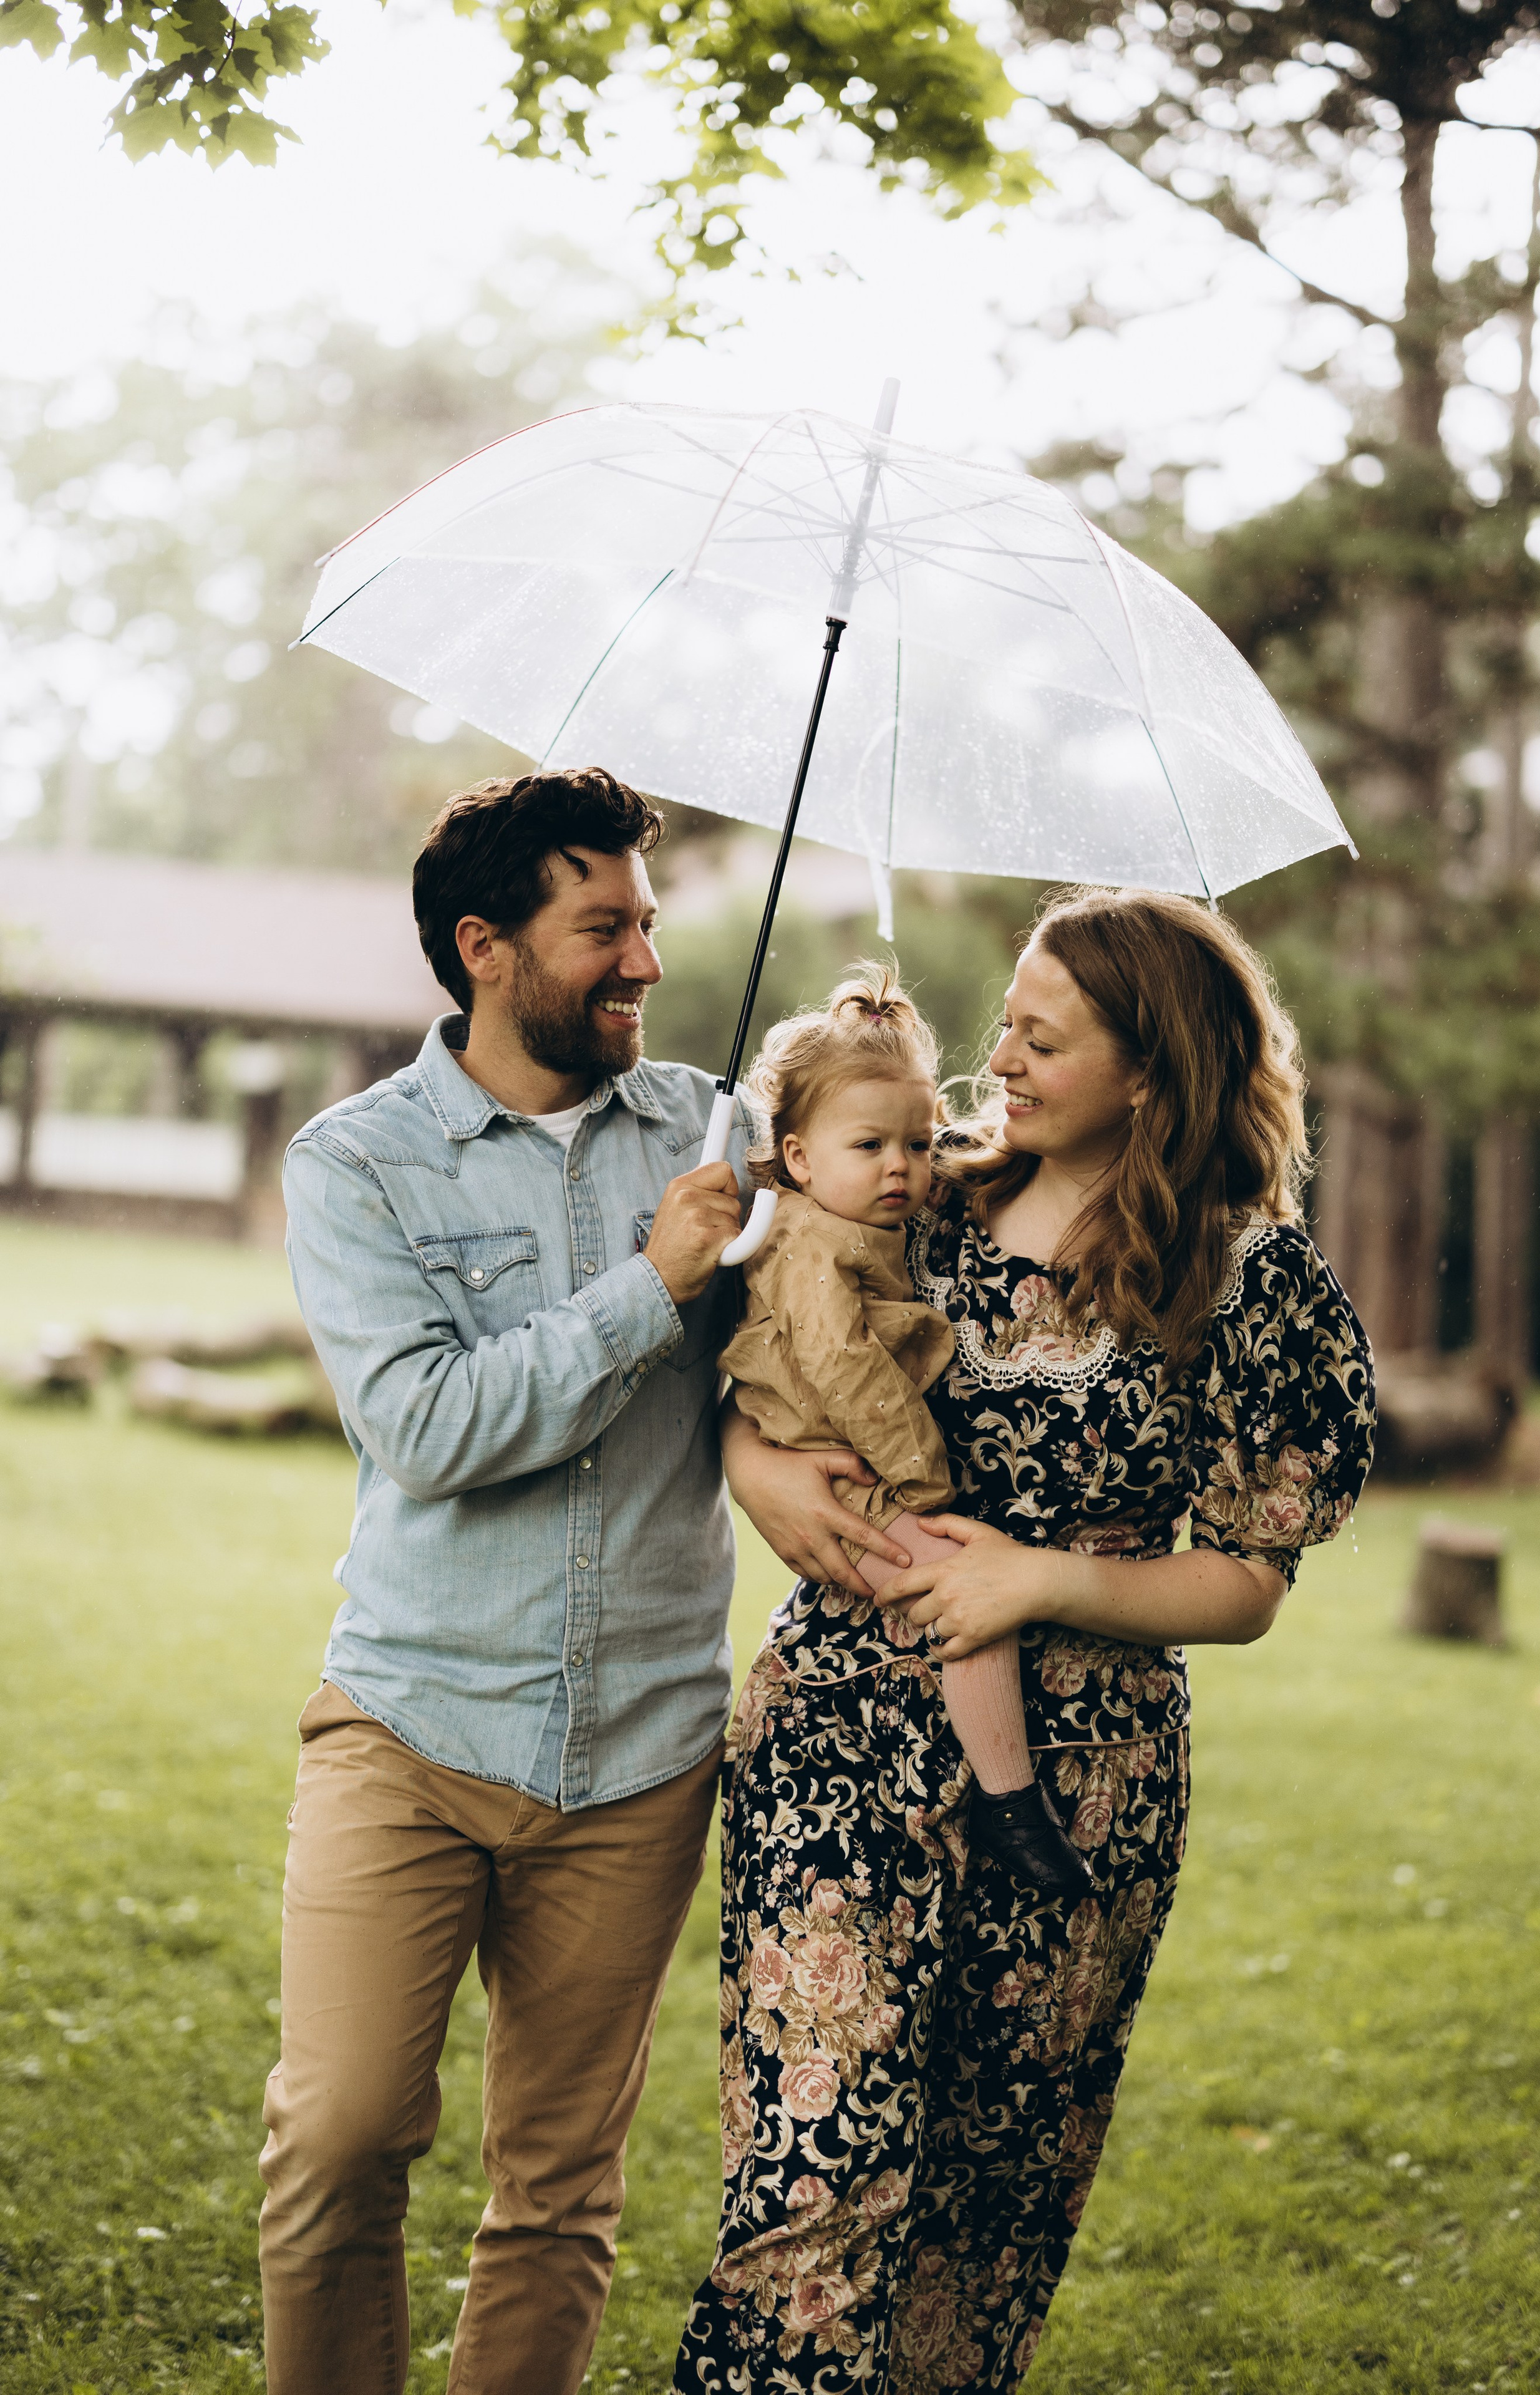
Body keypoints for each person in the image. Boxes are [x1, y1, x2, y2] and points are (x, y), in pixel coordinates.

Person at [675, 886, 1376, 2395]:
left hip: (1080, 1789)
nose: (998, 1057)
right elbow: (767, 1374)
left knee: (982, 2219)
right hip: (840, 1743)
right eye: (1003, 1019)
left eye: (1041, 1038)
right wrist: (756, 1468)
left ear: (1150, 1070)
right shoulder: (910, 1198)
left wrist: (1035, 1581)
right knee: (807, 2183)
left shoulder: (1246, 1279)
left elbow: (1247, 1580)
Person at [259, 768, 884, 2395]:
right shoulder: (358, 1165)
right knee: (335, 2143)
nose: (646, 964)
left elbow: (836, 1310)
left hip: (643, 1753)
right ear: (486, 945)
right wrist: (647, 1284)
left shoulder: (713, 1138)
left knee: (557, 2197)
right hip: (411, 1726)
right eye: (602, 927)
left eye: (649, 926)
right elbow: (430, 1428)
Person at [720, 964, 1095, 1901]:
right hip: (853, 1469)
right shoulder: (808, 1244)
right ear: (798, 1159)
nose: (903, 1169)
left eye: (918, 1145)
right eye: (870, 1146)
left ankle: (1003, 1795)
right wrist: (927, 1486)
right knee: (965, 1606)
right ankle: (1012, 1800)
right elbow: (851, 1376)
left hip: (852, 1462)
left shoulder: (867, 1214)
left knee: (961, 1603)